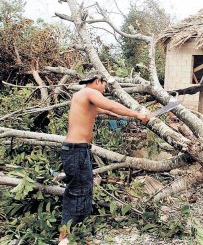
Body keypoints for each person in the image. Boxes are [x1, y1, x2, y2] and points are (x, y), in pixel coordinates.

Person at [59, 70, 149, 244]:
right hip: (76, 150)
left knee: (84, 190)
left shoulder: (81, 96)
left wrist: (119, 116)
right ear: (98, 81)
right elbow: (111, 105)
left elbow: (102, 110)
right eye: (105, 83)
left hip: (78, 150)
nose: (106, 87)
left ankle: (77, 233)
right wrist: (137, 114)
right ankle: (64, 238)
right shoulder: (90, 92)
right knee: (77, 193)